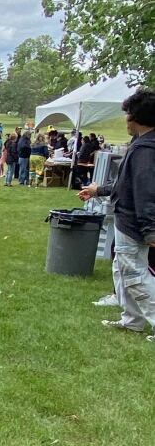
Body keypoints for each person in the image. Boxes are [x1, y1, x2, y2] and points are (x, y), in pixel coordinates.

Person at [78, 89, 155, 342]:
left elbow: (145, 191)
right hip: (129, 222)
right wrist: (98, 190)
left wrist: (149, 229)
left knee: (134, 275)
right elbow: (126, 185)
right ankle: (132, 321)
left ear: (138, 118)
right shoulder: (142, 145)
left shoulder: (145, 149)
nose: (126, 120)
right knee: (122, 271)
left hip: (135, 224)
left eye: (128, 114)